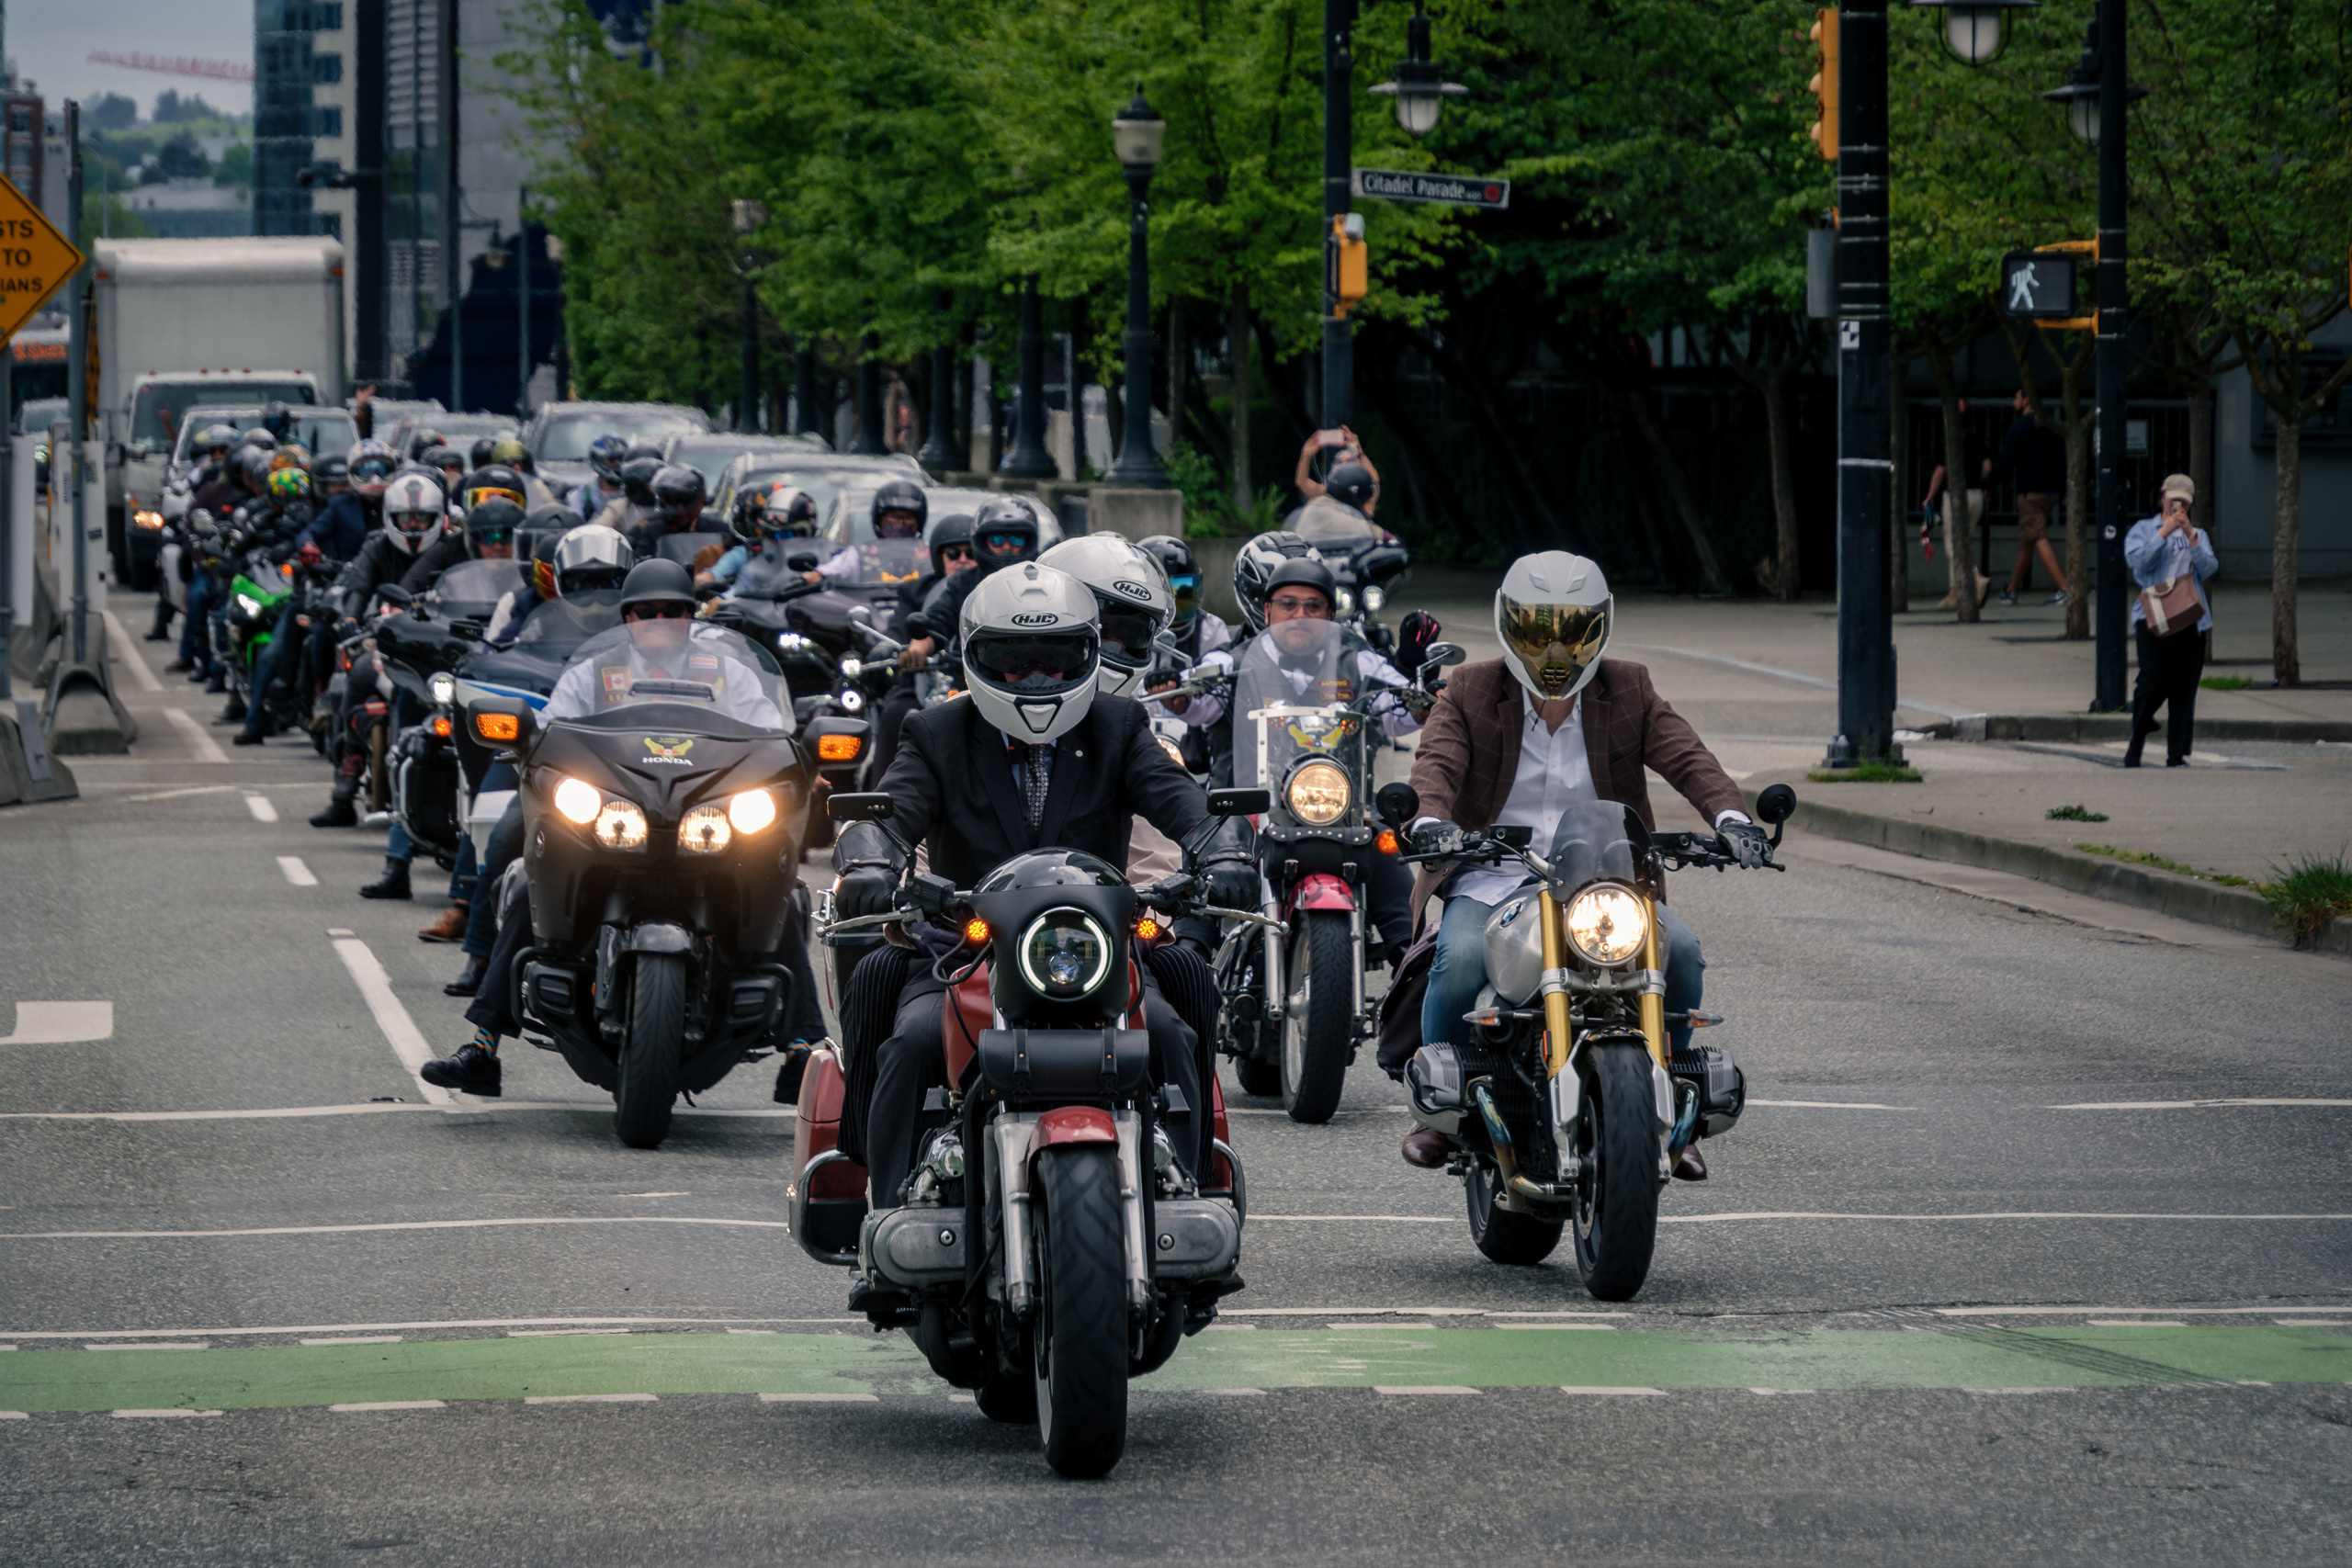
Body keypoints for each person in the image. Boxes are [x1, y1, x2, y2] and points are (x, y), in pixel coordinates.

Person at [831, 561, 1255, 1222]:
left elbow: (1180, 799)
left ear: (1089, 653)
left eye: (1058, 658)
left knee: (1171, 1027)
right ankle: (887, 1218)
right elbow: (890, 809)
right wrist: (867, 863)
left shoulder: (1117, 725)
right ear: (976, 657)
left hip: (1096, 949)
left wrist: (1222, 844)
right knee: (913, 1038)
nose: (1037, 675)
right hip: (965, 952)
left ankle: (1189, 1199)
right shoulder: (936, 731)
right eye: (1013, 657)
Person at [1398, 551, 1763, 1181]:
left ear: (1600, 629)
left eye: (1573, 631)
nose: (1555, 649)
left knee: (1681, 954)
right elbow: (1437, 763)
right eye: (1539, 631)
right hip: (1497, 872)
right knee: (1457, 958)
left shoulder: (1631, 687)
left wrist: (1732, 818)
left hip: (1604, 877)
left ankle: (1671, 1105)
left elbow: (1689, 757)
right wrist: (1432, 821)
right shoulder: (1471, 689)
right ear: (1510, 627)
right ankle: (1439, 1113)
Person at [421, 559, 798, 1095]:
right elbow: (551, 728)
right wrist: (526, 745)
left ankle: (804, 1048)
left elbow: (772, 734)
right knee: (523, 861)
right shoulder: (594, 670)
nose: (661, 621)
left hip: (703, 814)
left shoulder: (727, 671)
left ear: (692, 616)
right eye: (648, 612)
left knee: (780, 882)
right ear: (628, 617)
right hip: (614, 810)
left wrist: (795, 762)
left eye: (674, 611)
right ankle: (483, 1042)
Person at [2122, 474, 2220, 769]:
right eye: (2172, 498)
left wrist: (2191, 538)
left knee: (2184, 686)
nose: (2177, 505)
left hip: (2190, 618)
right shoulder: (2144, 529)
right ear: (2162, 498)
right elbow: (2137, 561)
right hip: (2153, 616)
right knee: (2151, 679)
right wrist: (2163, 532)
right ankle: (2138, 736)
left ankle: (2177, 754)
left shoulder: (2198, 533)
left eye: (2183, 501)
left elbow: (2209, 567)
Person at [1986, 388, 2069, 608]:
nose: (2013, 402)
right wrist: (2063, 490)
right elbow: (2062, 460)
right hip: (2050, 493)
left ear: (2026, 400)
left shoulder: (2021, 427)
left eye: (2016, 398)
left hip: (2030, 493)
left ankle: (2065, 589)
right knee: (2029, 540)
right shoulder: (2051, 426)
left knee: (2038, 537)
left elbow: (2006, 461)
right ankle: (2011, 589)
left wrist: (1989, 484)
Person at [1919, 398, 1993, 610]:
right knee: (1964, 541)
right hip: (1976, 495)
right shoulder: (1977, 438)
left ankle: (1976, 578)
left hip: (1954, 497)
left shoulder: (1949, 440)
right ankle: (1954, 592)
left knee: (1953, 544)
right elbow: (1987, 466)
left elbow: (1941, 470)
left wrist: (1930, 495)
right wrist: (1976, 480)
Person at [1292, 425, 1381, 517]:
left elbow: (1374, 480)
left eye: (1349, 461)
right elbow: (1302, 483)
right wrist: (1306, 454)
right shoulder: (1329, 492)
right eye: (1340, 461)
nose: (1344, 464)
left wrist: (1359, 451)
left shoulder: (1361, 494)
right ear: (1334, 467)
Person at [570, 433, 628, 518]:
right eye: (612, 459)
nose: (618, 463)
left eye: (621, 458)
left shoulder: (632, 492)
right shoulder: (583, 495)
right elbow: (574, 523)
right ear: (599, 461)